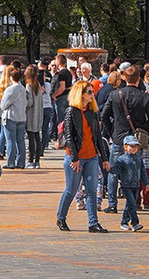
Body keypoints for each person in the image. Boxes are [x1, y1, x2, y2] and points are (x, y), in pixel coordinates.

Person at [56, 80, 107, 233]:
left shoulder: (92, 111)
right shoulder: (71, 111)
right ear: (81, 94)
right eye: (89, 92)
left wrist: (104, 158)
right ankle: (61, 217)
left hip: (91, 156)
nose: (93, 95)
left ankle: (93, 223)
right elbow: (69, 136)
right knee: (71, 189)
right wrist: (74, 158)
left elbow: (97, 136)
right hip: (76, 157)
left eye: (93, 92)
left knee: (91, 190)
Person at [112, 135, 147, 231]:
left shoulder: (139, 159)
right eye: (131, 146)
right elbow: (116, 169)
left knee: (130, 204)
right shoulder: (122, 159)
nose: (133, 148)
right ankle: (135, 223)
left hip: (136, 185)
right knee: (132, 204)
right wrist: (109, 168)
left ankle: (124, 221)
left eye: (135, 146)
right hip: (126, 185)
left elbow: (143, 172)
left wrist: (146, 183)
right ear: (125, 147)